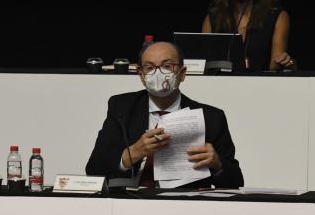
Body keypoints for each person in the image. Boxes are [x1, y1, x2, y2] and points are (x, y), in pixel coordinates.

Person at [85, 42, 244, 189]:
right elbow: (94, 170)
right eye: (149, 67)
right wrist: (132, 154)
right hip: (133, 203)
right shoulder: (122, 108)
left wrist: (217, 164)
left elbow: (236, 182)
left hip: (187, 206)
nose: (158, 73)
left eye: (167, 66)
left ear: (182, 73)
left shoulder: (211, 117)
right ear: (141, 75)